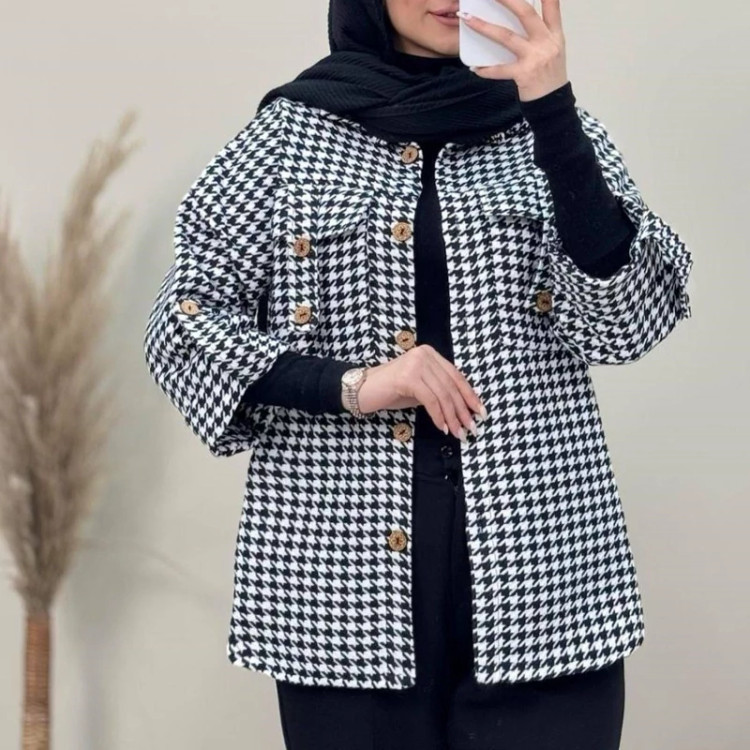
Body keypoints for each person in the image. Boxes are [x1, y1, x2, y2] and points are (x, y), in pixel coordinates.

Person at [143, 1, 693, 748]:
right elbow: (183, 326)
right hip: (341, 592)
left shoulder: (554, 128)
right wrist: (354, 384)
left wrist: (552, 111)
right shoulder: (287, 140)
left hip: (546, 582)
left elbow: (632, 320)